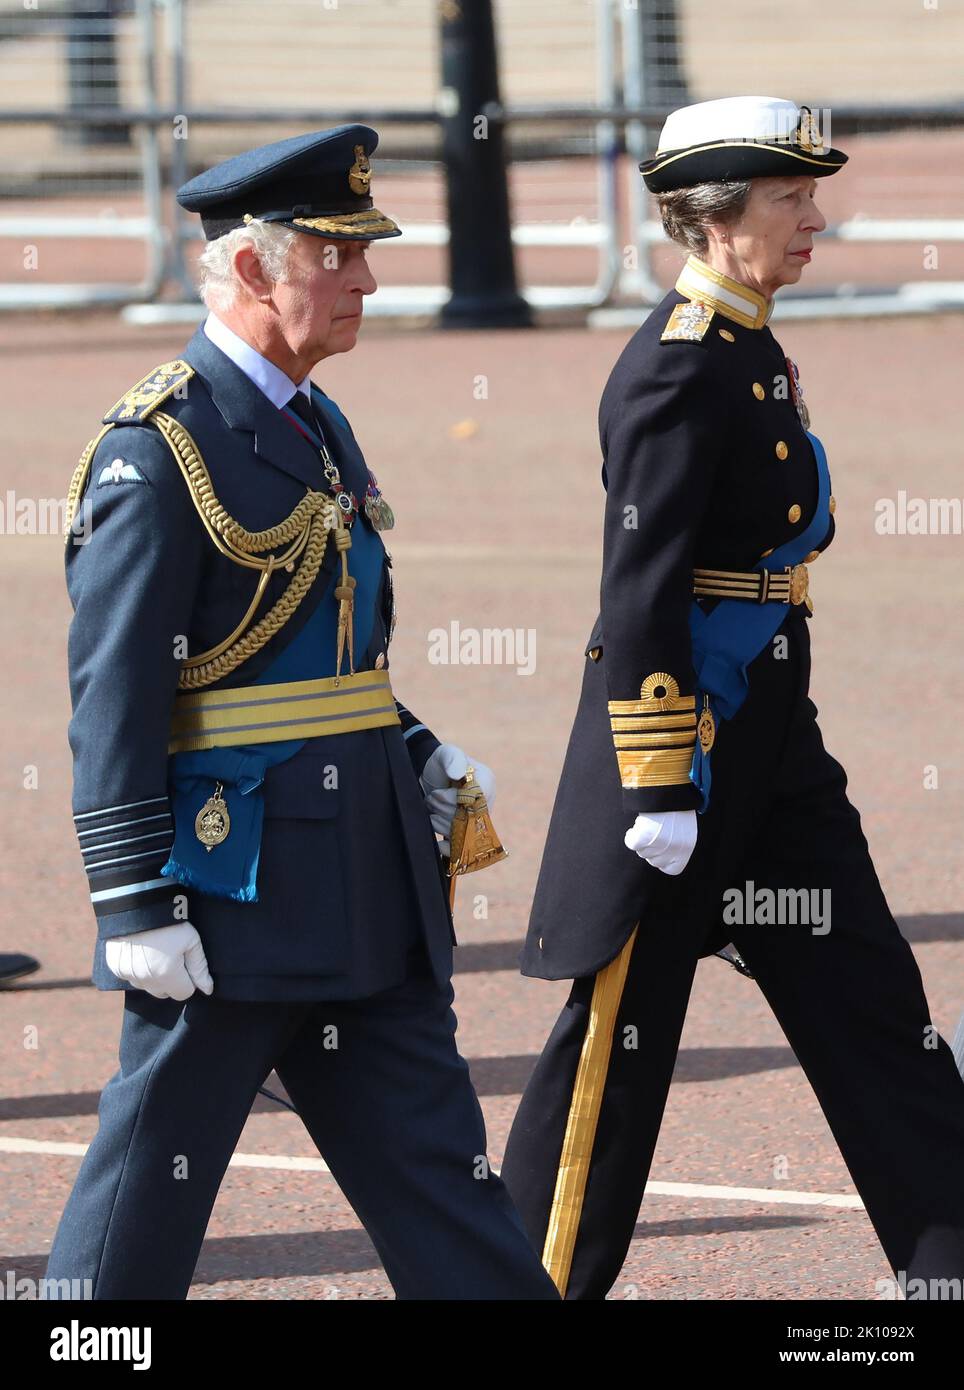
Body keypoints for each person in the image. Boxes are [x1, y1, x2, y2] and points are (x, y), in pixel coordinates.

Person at [44, 125, 558, 1301]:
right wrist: (132, 897)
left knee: (448, 1188)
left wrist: (412, 746)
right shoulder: (160, 449)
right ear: (250, 268)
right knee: (137, 1224)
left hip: (367, 884)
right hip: (234, 906)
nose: (367, 280)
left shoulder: (314, 423)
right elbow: (116, 686)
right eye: (338, 255)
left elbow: (311, 646)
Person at [499, 96, 964, 1300]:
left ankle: (947, 1260)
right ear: (710, 222)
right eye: (787, 200)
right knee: (611, 1056)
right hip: (688, 754)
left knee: (871, 1000)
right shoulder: (674, 367)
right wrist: (657, 779)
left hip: (771, 743)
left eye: (811, 194)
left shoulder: (746, 343)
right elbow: (639, 590)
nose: (815, 218)